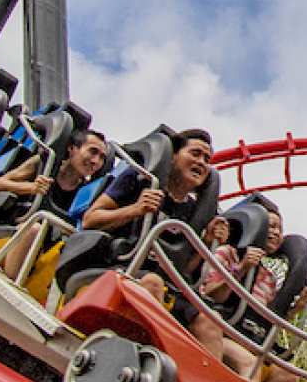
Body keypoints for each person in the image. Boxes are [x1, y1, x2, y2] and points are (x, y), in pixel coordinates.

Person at [81, 127, 229, 303]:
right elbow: (89, 220)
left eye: (206, 159)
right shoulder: (140, 179)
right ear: (173, 156)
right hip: (119, 265)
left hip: (166, 284)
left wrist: (207, 242)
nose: (201, 162)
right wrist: (135, 209)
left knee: (207, 320)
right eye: (195, 154)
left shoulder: (194, 212)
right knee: (152, 283)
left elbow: (185, 269)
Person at [195, 203, 307, 382]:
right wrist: (242, 268)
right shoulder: (228, 253)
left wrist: (297, 307)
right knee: (250, 364)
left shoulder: (268, 278)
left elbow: (264, 320)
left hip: (249, 341)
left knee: (287, 378)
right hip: (219, 332)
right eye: (270, 226)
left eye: (279, 229)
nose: (275, 233)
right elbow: (211, 292)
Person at [0, 128, 110, 301]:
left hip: (42, 254)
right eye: (93, 152)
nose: (96, 161)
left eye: (102, 158)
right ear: (72, 148)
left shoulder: (88, 195)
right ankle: (3, 295)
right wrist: (31, 188)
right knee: (34, 230)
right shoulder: (45, 165)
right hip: (9, 239)